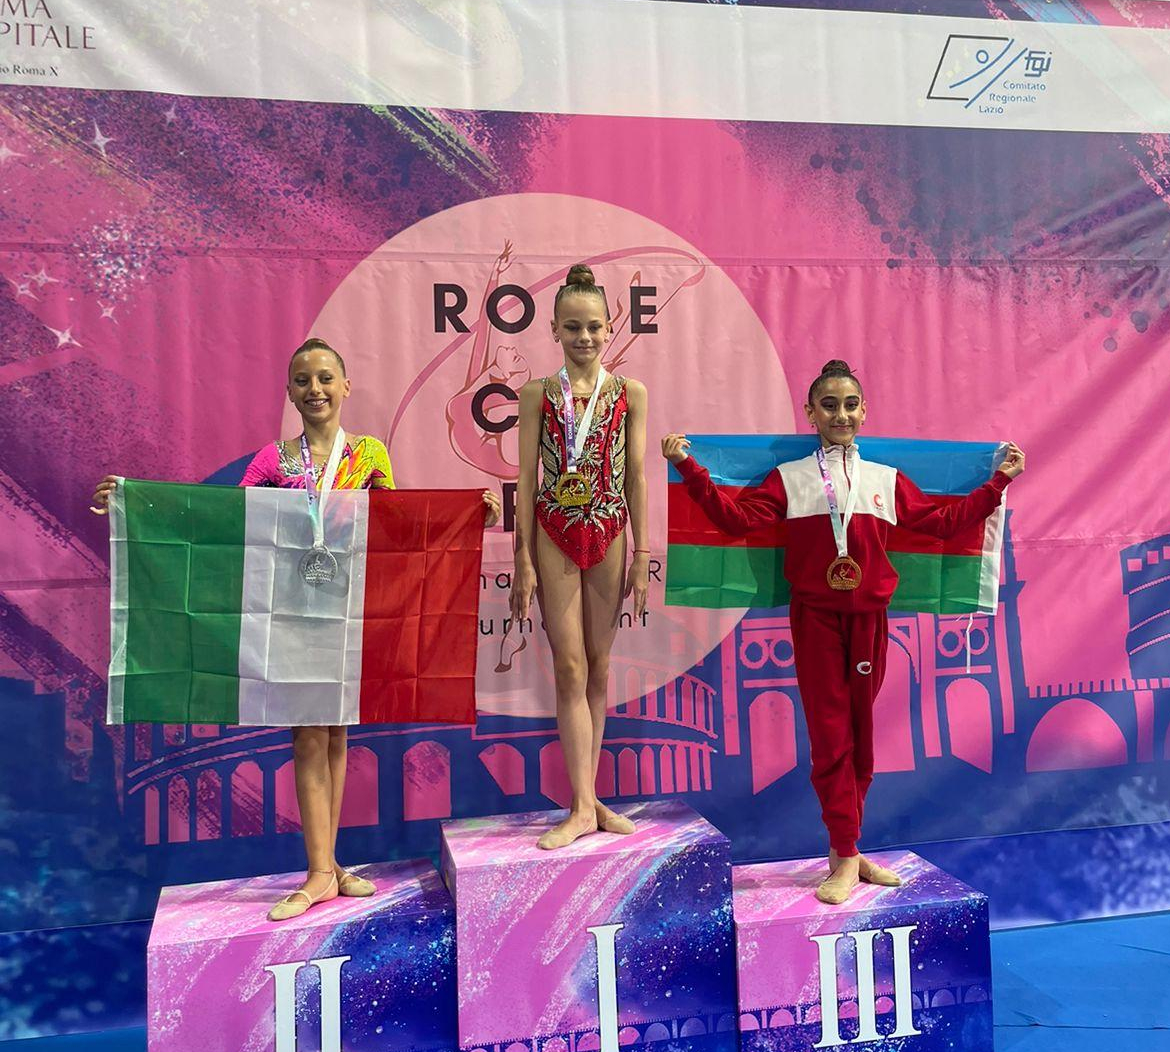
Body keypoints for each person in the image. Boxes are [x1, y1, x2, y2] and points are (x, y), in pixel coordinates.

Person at [92, 337, 500, 920]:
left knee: (336, 736)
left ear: (346, 386)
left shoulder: (370, 454)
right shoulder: (273, 460)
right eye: (304, 380)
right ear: (289, 392)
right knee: (309, 737)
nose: (316, 389)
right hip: (290, 615)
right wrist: (133, 501)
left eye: (326, 378)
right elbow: (224, 525)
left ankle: (330, 865)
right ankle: (317, 872)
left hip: (350, 613)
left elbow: (400, 527)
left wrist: (468, 514)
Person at [662, 358, 1025, 904]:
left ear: (864, 410)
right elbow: (736, 520)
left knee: (860, 740)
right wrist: (688, 467)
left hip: (870, 620)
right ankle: (847, 853)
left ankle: (846, 852)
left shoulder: (884, 480)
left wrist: (1000, 481)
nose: (841, 415)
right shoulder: (790, 478)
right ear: (810, 413)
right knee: (832, 739)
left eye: (850, 404)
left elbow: (944, 524)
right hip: (816, 620)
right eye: (829, 405)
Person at [510, 264, 650, 849]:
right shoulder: (537, 395)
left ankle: (588, 802)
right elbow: (525, 480)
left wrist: (643, 552)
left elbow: (636, 475)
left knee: (598, 665)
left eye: (593, 327)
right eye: (572, 328)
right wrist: (521, 558)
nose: (584, 337)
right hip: (553, 531)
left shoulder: (630, 394)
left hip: (611, 530)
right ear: (554, 330)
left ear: (610, 327)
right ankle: (582, 806)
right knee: (568, 667)